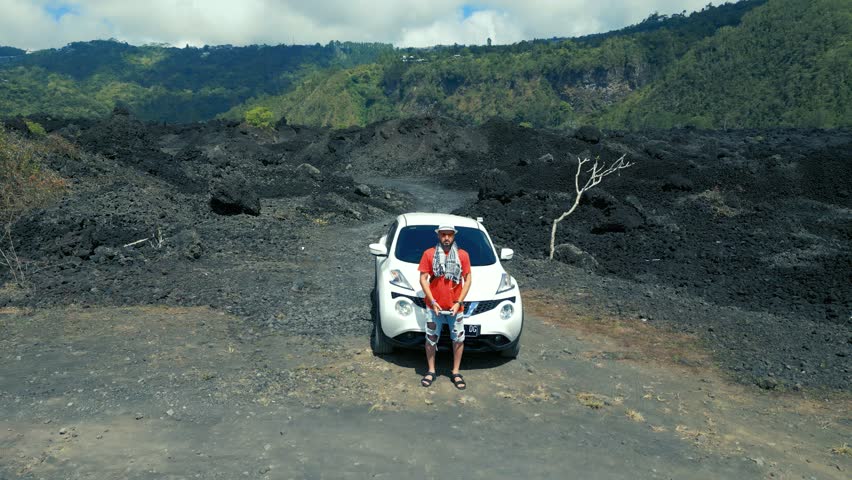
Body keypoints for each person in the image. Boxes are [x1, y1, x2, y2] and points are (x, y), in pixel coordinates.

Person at [417, 225, 472, 390]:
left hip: (455, 306)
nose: (446, 238)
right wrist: (433, 301)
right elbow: (423, 279)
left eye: (449, 235)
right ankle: (431, 370)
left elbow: (468, 279)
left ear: (454, 236)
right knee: (431, 339)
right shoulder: (429, 254)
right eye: (443, 235)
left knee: (458, 339)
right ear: (438, 236)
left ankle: (455, 371)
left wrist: (459, 302)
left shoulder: (463, 255)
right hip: (434, 307)